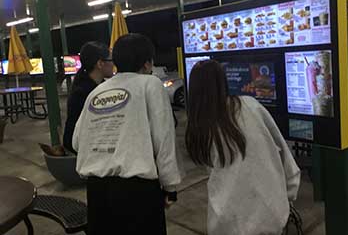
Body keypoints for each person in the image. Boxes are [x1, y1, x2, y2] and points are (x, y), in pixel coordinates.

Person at [72, 33, 182, 234]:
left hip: (97, 193)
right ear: (148, 64)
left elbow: (77, 141)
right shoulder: (150, 84)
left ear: (116, 63)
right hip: (138, 193)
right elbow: (163, 139)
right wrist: (170, 186)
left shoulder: (97, 92)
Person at [185, 60, 300, 235]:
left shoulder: (199, 127)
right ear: (223, 82)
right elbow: (282, 151)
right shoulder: (250, 105)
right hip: (270, 217)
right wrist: (289, 194)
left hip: (226, 222)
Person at [63, 41, 114, 154]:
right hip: (86, 152)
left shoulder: (96, 85)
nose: (113, 64)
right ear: (100, 64)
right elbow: (72, 136)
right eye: (111, 60)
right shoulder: (83, 93)